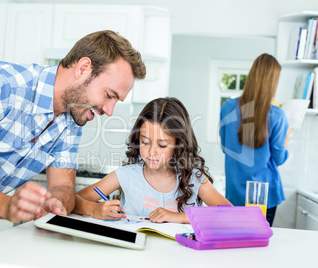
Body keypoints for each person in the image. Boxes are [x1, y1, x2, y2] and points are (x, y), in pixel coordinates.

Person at [0, 30, 146, 268]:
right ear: (83, 68)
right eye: (109, 95)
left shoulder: (71, 120)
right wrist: (7, 205)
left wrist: (56, 203)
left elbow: (62, 187)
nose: (109, 111)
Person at [73, 97, 231, 223]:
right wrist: (93, 209)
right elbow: (72, 200)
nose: (151, 152)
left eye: (162, 145)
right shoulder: (125, 176)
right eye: (145, 142)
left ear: (179, 144)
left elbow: (229, 213)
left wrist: (179, 217)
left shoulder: (194, 179)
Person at [219, 53, 292, 227]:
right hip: (265, 195)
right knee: (258, 249)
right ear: (273, 82)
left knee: (235, 246)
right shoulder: (277, 115)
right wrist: (288, 134)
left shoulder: (228, 107)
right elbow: (280, 158)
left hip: (234, 193)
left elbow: (224, 147)